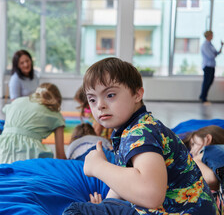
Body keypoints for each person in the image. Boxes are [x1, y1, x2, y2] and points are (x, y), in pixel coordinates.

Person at [63, 57, 218, 215]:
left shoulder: (141, 132)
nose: (100, 105)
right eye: (92, 99)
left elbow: (151, 194)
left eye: (110, 95)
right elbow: (124, 181)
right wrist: (105, 206)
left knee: (75, 211)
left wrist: (98, 166)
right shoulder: (135, 129)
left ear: (137, 94)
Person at [0, 83, 66, 165]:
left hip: (1, 151)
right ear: (57, 100)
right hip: (29, 156)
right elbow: (60, 156)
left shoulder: (17, 101)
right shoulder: (56, 114)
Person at [183, 125, 224, 191]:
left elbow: (210, 180)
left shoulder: (211, 150)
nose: (191, 151)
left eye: (193, 144)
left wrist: (195, 160)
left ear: (208, 139)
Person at [199, 30, 223, 105]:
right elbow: (211, 56)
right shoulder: (205, 45)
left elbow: (216, 53)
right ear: (208, 36)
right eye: (211, 35)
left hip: (212, 65)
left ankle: (203, 96)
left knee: (210, 81)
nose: (212, 36)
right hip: (207, 66)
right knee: (206, 82)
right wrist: (214, 55)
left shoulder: (210, 44)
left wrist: (221, 46)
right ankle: (203, 98)